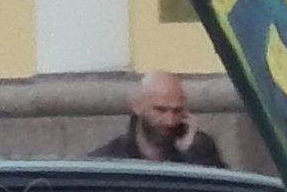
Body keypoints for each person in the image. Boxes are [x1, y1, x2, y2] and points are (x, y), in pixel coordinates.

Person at [85, 71, 224, 165]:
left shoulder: (200, 149)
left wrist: (192, 153)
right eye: (160, 110)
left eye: (177, 111)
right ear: (137, 106)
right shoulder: (110, 161)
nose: (169, 121)